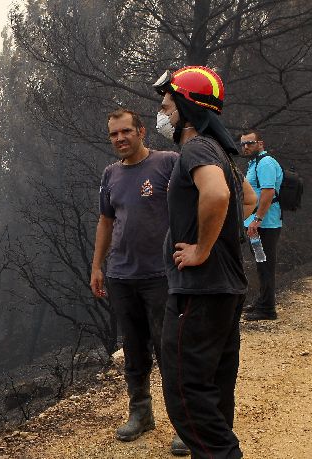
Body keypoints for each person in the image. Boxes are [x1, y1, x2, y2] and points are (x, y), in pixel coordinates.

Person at [153, 66, 256, 459]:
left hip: (199, 291)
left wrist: (201, 247)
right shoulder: (223, 155)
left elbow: (216, 197)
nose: (163, 114)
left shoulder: (196, 148)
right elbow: (245, 198)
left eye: (167, 105)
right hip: (226, 291)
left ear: (185, 106)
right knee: (213, 391)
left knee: (186, 394)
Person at [90, 108, 188, 455]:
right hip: (120, 276)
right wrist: (97, 266)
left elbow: (191, 203)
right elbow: (106, 220)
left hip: (161, 276)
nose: (120, 139)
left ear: (142, 131)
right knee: (133, 350)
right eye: (114, 134)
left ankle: (185, 425)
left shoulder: (168, 162)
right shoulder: (110, 174)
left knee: (170, 351)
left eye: (126, 131)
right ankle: (141, 414)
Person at [239, 130, 283, 320]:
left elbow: (268, 192)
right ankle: (263, 302)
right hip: (256, 224)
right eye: (243, 144)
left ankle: (267, 309)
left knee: (265, 265)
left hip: (266, 224)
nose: (246, 147)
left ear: (260, 143)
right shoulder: (254, 163)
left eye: (250, 143)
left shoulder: (265, 163)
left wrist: (257, 219)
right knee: (261, 263)